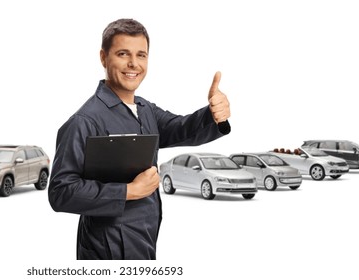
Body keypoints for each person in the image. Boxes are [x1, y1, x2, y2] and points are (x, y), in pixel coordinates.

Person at [48, 18, 232, 260]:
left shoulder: (145, 110)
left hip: (144, 239)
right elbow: (61, 192)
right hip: (108, 249)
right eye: (123, 54)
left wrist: (213, 114)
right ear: (103, 58)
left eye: (141, 55)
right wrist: (127, 191)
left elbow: (181, 128)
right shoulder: (84, 121)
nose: (133, 64)